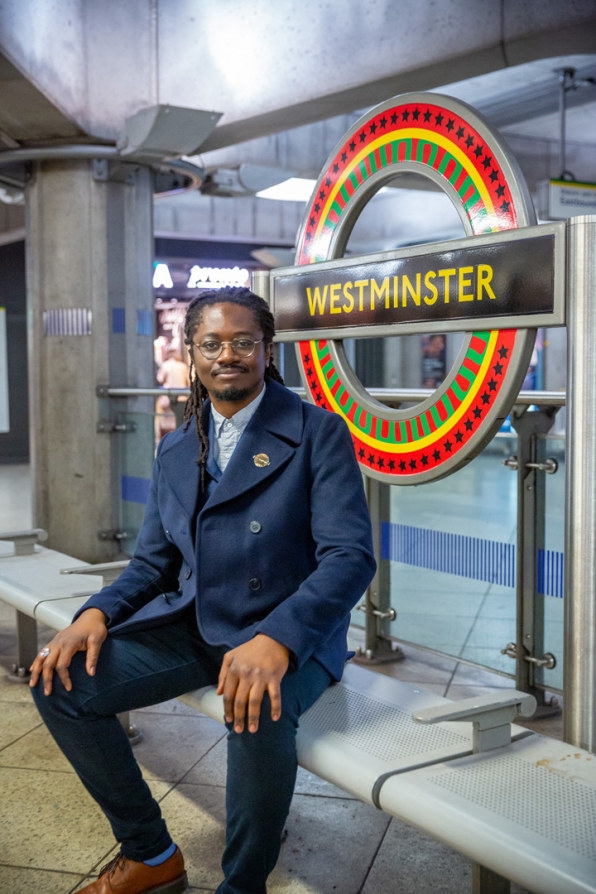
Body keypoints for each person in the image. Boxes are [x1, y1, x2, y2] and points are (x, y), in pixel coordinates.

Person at [29, 286, 376, 894]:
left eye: (244, 341)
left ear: (267, 351)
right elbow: (153, 565)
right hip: (200, 622)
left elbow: (349, 558)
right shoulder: (175, 446)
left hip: (288, 634)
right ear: (191, 352)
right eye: (212, 343)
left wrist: (279, 638)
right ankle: (152, 854)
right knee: (61, 681)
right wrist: (95, 614)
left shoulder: (318, 432)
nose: (228, 355)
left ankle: (242, 885)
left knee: (256, 706)